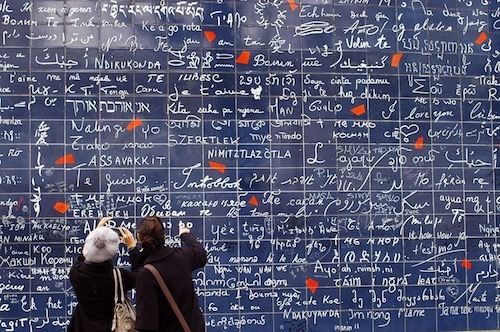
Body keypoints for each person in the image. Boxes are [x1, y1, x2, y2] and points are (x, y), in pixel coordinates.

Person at [134, 216, 207, 332]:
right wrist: (185, 235)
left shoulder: (146, 274)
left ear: (139, 237)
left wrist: (132, 250)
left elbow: (146, 324)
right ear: (164, 237)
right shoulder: (182, 257)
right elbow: (201, 253)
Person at [68, 217, 137, 332]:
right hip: (112, 327)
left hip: (83, 327)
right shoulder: (119, 277)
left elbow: (82, 258)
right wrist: (132, 248)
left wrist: (96, 236)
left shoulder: (76, 274)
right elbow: (140, 275)